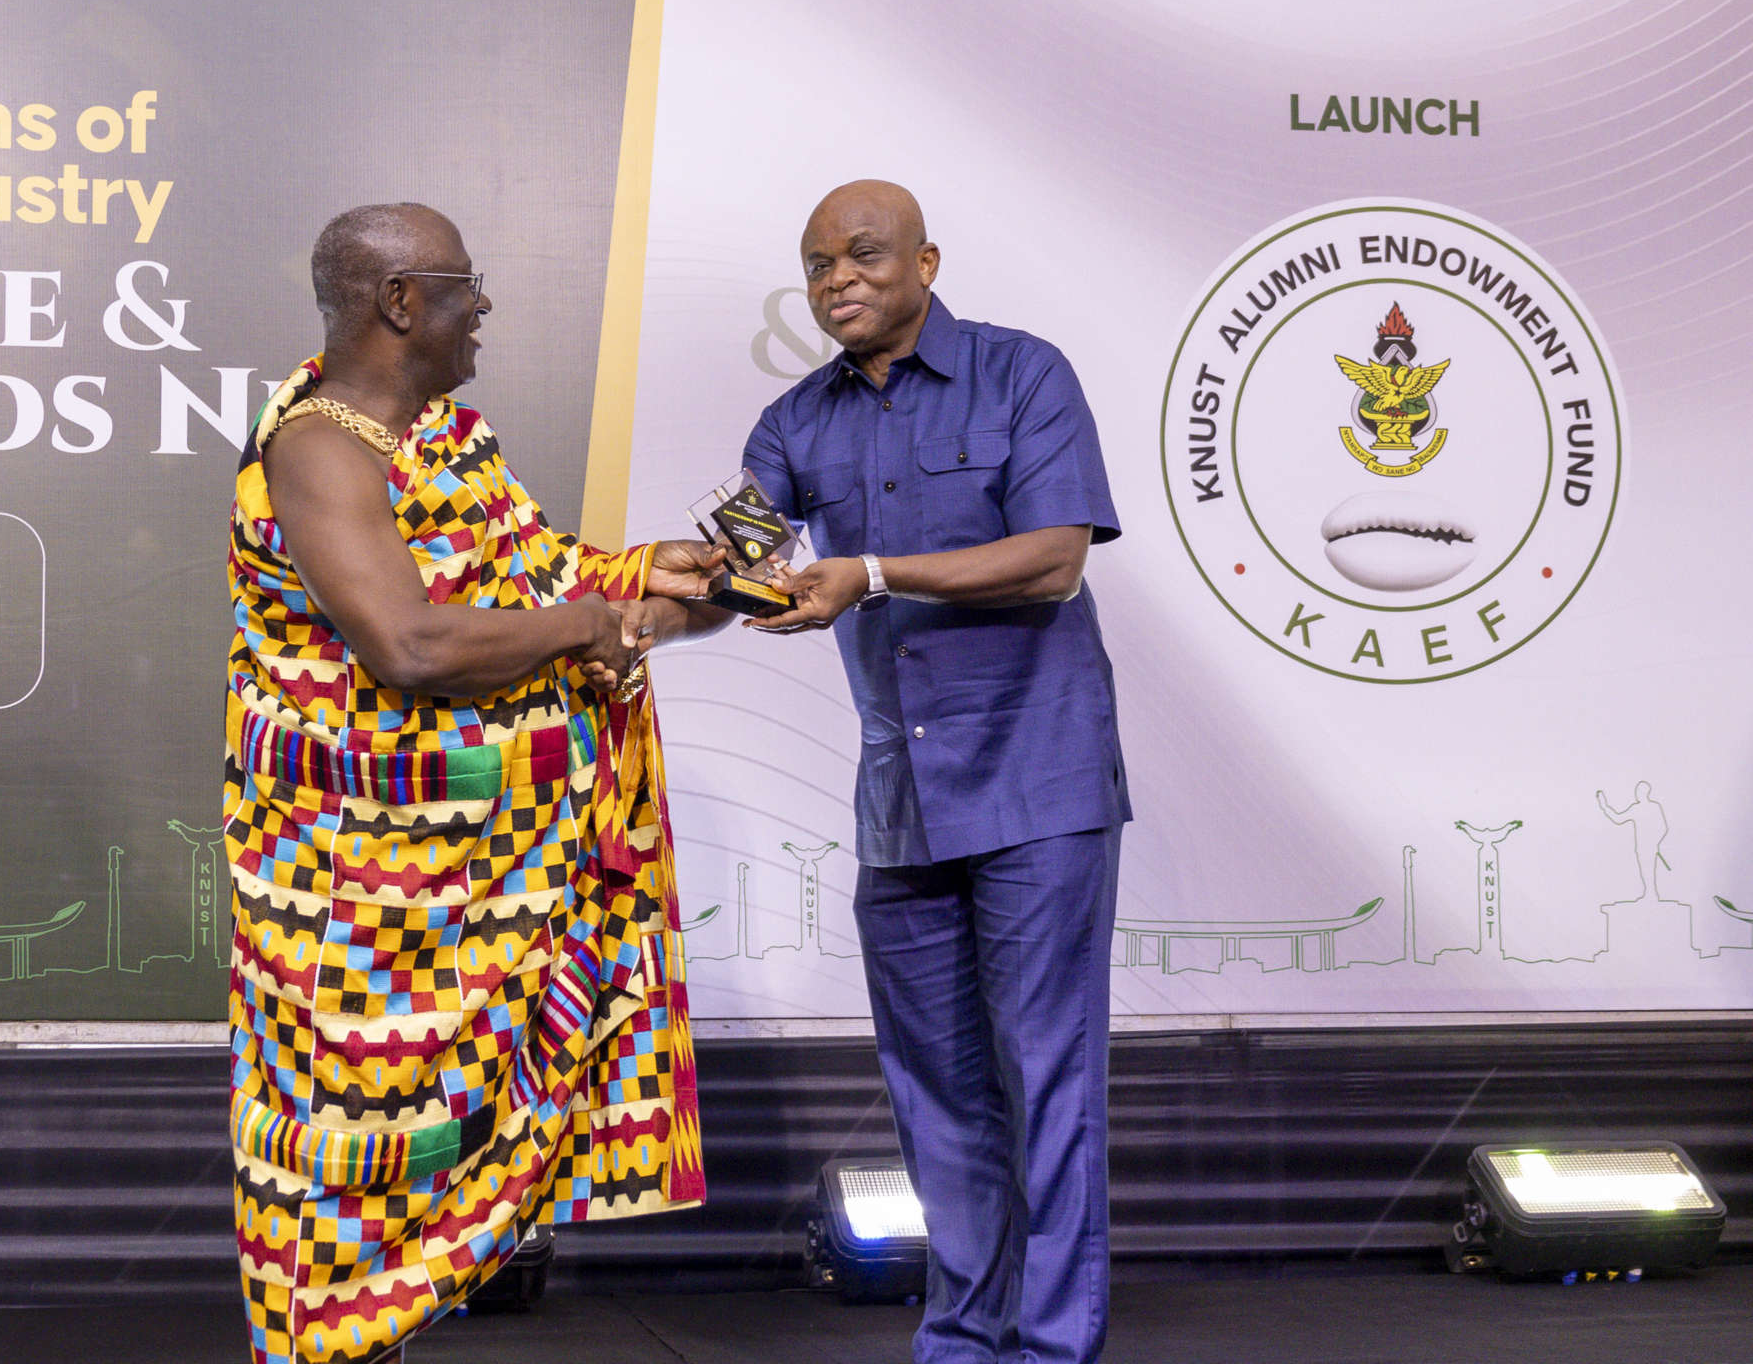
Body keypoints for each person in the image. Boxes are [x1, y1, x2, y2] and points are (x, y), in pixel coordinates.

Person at [225, 203, 725, 1364]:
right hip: (361, 914)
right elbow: (410, 643)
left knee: (430, 1170)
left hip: (490, 893)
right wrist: (590, 623)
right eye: (466, 285)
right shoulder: (317, 450)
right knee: (351, 1173)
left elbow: (527, 581)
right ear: (401, 302)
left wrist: (646, 576)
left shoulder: (449, 438)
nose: (484, 305)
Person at [742, 181, 1129, 1364]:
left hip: (1036, 782)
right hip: (902, 804)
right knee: (935, 1091)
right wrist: (615, 612)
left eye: (862, 254)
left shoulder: (1021, 374)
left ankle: (1049, 1346)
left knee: (1042, 1077)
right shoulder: (793, 424)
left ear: (925, 262)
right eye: (817, 264)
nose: (837, 280)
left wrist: (867, 572)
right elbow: (738, 569)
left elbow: (1054, 560)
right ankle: (962, 1336)